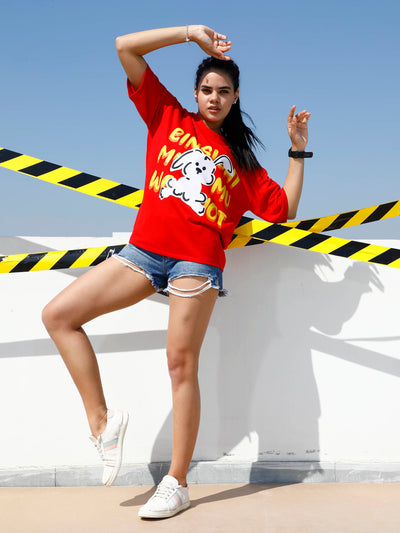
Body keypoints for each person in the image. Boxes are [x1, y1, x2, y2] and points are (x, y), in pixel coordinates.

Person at [42, 24, 311, 519]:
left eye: (224, 92)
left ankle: (177, 482)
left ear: (235, 98)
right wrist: (190, 34)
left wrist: (296, 150)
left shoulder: (241, 159)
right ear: (195, 92)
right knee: (59, 315)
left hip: (197, 260)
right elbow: (124, 46)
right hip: (143, 251)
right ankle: (103, 422)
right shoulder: (167, 115)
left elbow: (285, 209)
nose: (214, 98)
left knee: (180, 364)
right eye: (207, 89)